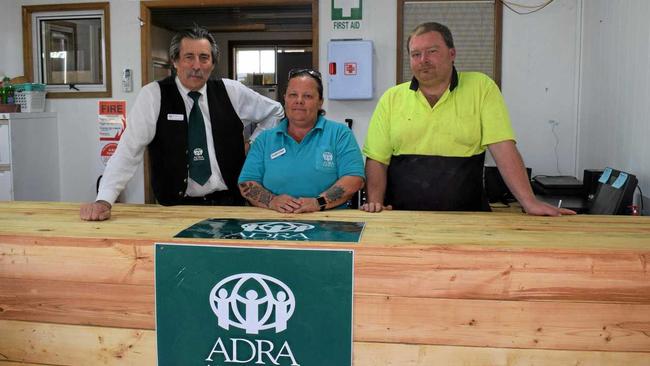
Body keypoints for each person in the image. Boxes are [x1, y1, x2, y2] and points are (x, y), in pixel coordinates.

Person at [361, 22, 575, 216]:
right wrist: (376, 204)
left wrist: (529, 202)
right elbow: (377, 160)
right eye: (415, 54)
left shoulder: (481, 87)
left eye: (431, 51)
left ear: (452, 53)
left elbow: (503, 148)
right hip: (402, 218)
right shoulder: (392, 98)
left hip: (469, 218)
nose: (423, 60)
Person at [80, 25, 284, 221]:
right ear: (175, 61)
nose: (197, 66)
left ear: (212, 64)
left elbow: (275, 111)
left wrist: (253, 145)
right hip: (175, 210)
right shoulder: (153, 95)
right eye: (189, 57)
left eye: (204, 58)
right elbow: (127, 151)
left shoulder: (231, 91)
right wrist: (104, 200)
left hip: (230, 206)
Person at [238, 69, 364, 213]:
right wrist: (272, 200)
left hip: (329, 225)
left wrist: (318, 203)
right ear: (285, 99)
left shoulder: (340, 134)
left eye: (308, 96)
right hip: (273, 225)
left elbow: (354, 179)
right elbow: (246, 183)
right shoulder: (264, 140)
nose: (299, 101)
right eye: (293, 95)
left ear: (320, 102)